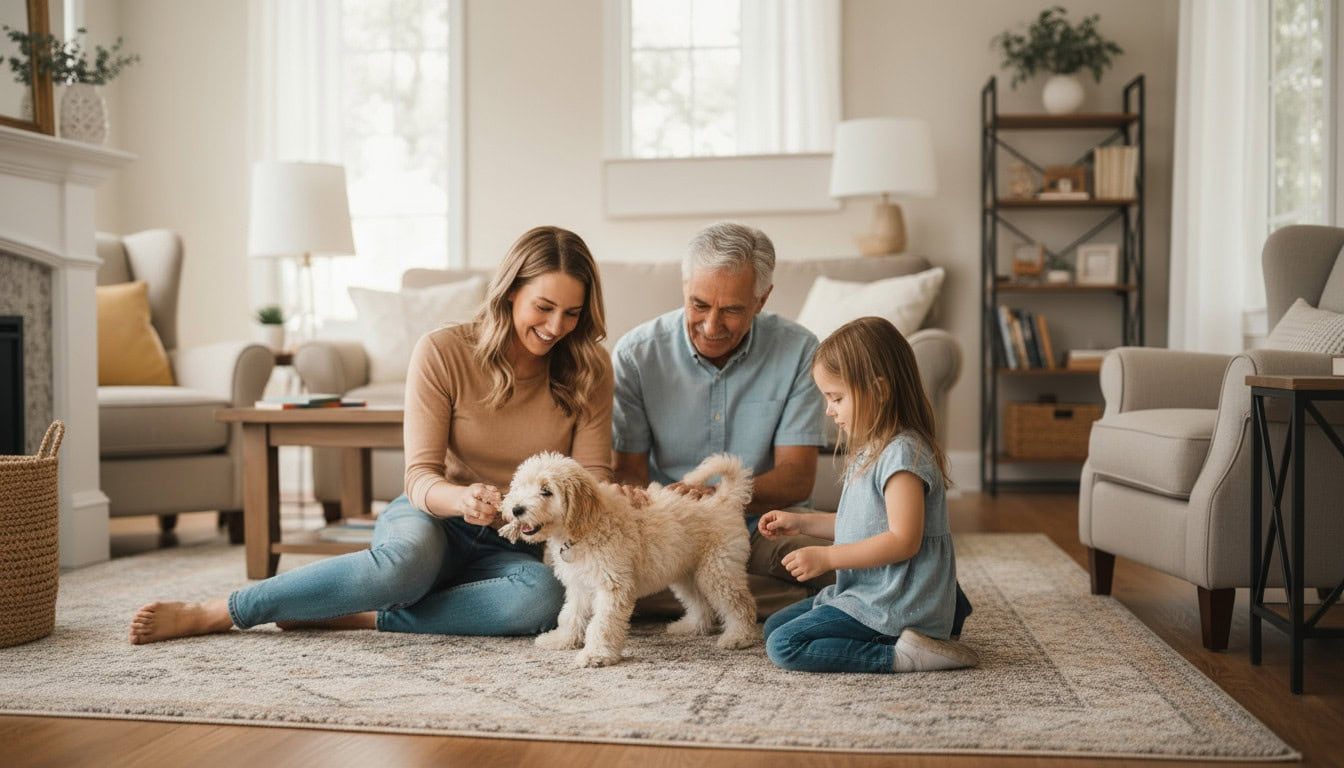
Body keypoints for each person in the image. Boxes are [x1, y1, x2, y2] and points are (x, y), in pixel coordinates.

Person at [128, 226, 614, 644]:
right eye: (544, 307)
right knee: (402, 568)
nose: (556, 327)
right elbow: (420, 476)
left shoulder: (589, 368)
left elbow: (590, 480)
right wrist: (463, 498)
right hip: (438, 516)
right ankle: (222, 610)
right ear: (511, 291)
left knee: (543, 601)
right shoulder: (444, 351)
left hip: (521, 538)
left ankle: (366, 615)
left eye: (571, 314)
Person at [610, 222, 832, 614]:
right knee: (605, 581)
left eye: (731, 310)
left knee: (850, 568)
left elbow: (797, 475)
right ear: (684, 286)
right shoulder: (636, 354)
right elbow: (627, 471)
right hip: (671, 531)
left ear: (762, 300)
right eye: (699, 304)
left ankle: (714, 600)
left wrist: (718, 498)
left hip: (766, 521)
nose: (711, 326)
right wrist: (676, 509)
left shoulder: (799, 350)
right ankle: (762, 601)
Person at [757, 317, 978, 673]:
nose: (829, 410)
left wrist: (829, 559)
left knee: (784, 645)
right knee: (773, 626)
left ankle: (903, 653)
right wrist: (798, 522)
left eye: (837, 398)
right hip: (872, 593)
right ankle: (941, 618)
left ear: (878, 390)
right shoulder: (871, 448)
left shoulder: (902, 455)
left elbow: (903, 541)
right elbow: (860, 524)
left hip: (893, 601)